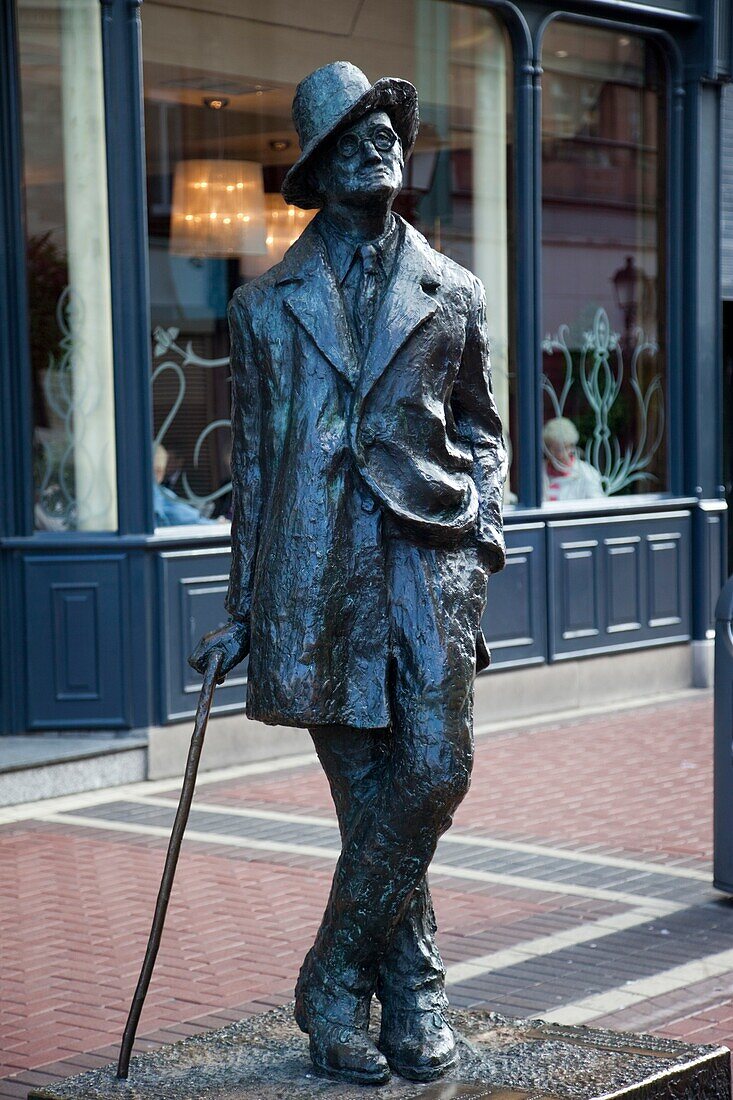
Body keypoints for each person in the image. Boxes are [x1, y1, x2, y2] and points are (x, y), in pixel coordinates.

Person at [190, 62, 507, 1085]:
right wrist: (243, 607)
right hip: (313, 572)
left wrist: (482, 539)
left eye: (386, 123)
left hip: (428, 560)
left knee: (436, 769)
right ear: (321, 166)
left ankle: (330, 976)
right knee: (368, 794)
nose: (379, 138)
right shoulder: (263, 306)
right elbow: (252, 462)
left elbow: (484, 435)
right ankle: (412, 990)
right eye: (355, 131)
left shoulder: (453, 290)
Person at [153, 443, 220, 527]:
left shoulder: (193, 480)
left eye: (170, 460)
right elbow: (184, 516)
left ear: (180, 461)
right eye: (167, 461)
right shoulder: (160, 495)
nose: (168, 464)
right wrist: (217, 525)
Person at [543, 416, 604, 502]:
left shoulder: (587, 474)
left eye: (560, 449)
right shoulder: (539, 473)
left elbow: (597, 507)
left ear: (571, 447)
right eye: (550, 449)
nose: (556, 455)